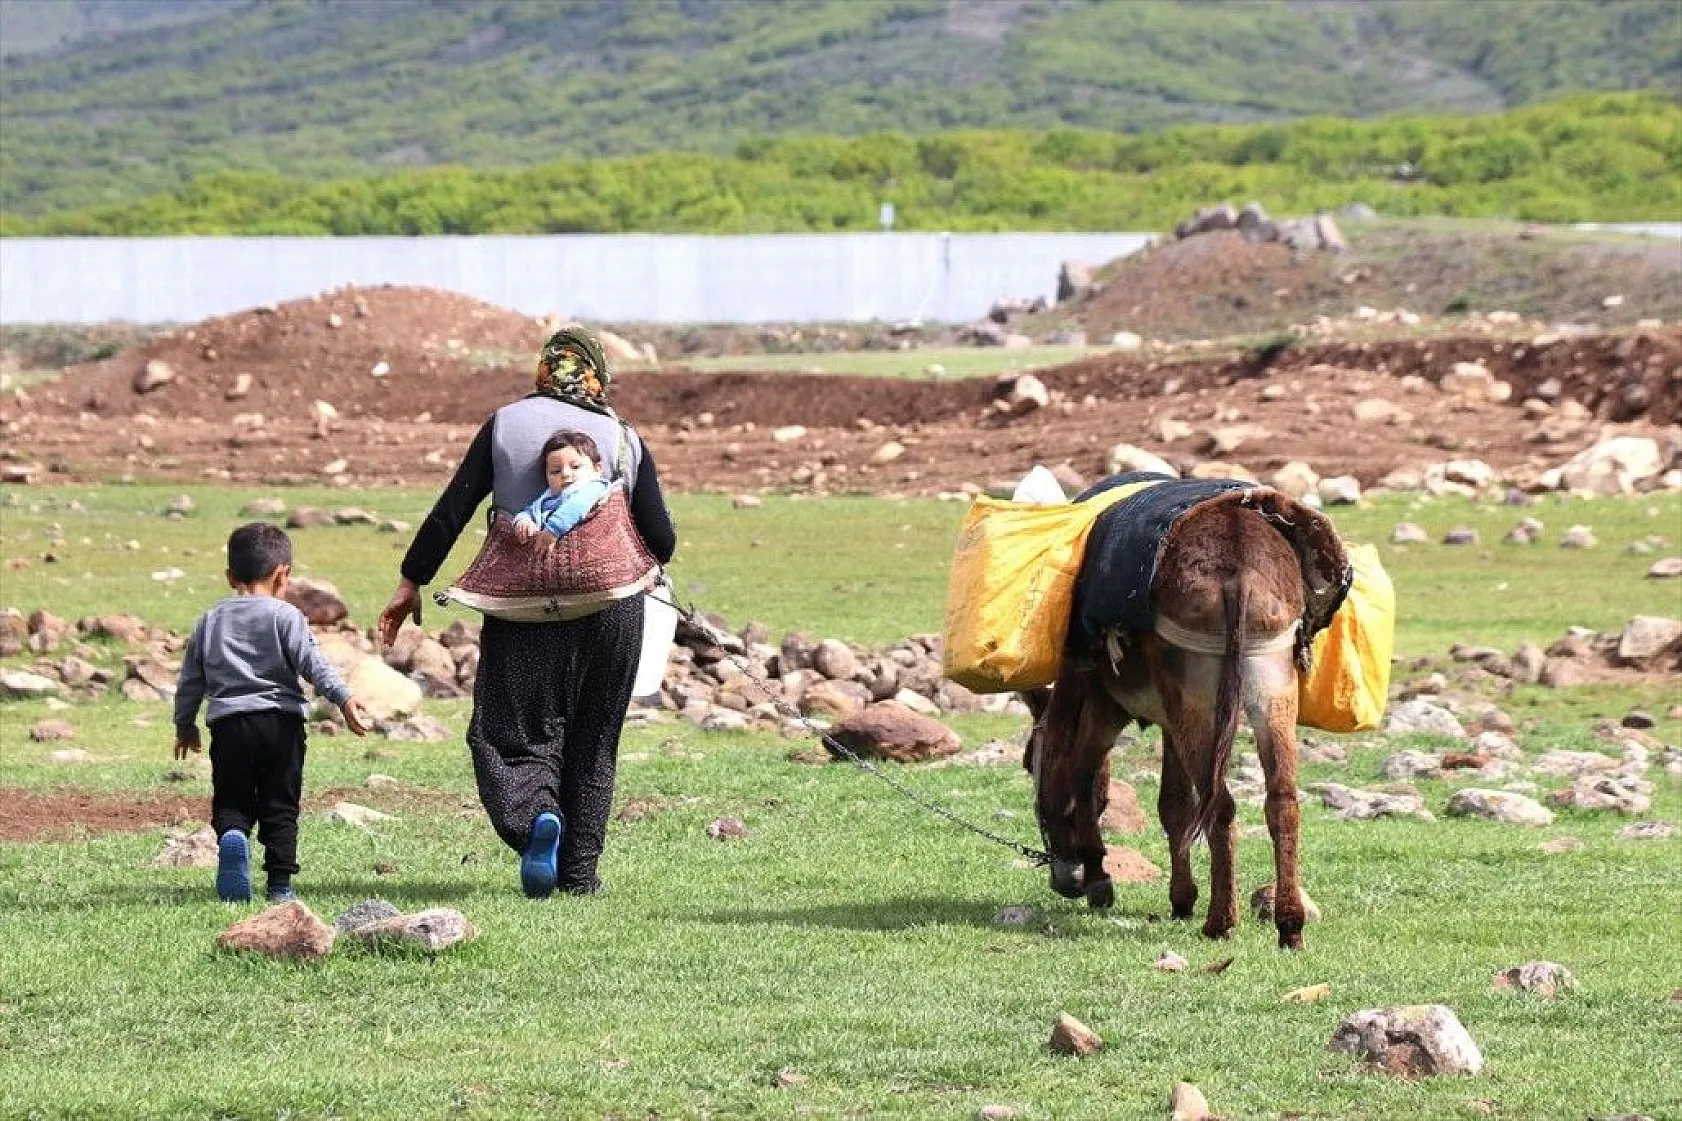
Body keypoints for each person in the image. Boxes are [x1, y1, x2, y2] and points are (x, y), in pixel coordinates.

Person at [377, 326, 676, 899]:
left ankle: (537, 816)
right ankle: (580, 877)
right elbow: (659, 540)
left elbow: (453, 509)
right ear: (596, 374)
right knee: (594, 739)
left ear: (543, 371)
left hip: (520, 610)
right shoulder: (622, 438)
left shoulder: (505, 424)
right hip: (611, 609)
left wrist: (411, 581)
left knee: (509, 732)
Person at [174, 522, 370, 903]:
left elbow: (190, 681)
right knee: (281, 804)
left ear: (230, 576)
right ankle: (279, 885)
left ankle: (232, 837)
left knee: (232, 798)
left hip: (229, 725)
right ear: (283, 575)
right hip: (281, 724)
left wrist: (185, 725)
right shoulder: (286, 617)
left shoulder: (209, 620)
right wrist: (343, 699)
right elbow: (313, 663)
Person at [512, 429, 612, 543]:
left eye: (575, 467)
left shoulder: (595, 486)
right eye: (555, 471)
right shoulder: (549, 496)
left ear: (597, 469)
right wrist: (524, 521)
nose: (565, 474)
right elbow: (530, 510)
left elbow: (578, 504)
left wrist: (554, 529)